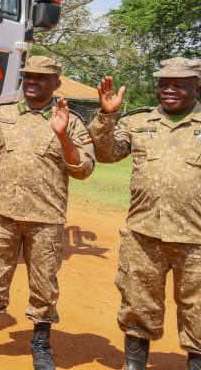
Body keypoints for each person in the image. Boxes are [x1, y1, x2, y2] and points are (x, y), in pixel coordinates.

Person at [0, 56, 96, 370]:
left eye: (41, 78)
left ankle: (41, 345)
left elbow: (83, 169)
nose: (32, 82)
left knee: (44, 285)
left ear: (56, 83)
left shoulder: (69, 121)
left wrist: (61, 135)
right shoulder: (1, 116)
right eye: (28, 77)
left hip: (45, 219)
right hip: (3, 214)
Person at [89, 57, 201, 370]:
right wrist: (106, 116)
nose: (169, 90)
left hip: (196, 241)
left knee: (199, 312)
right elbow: (107, 153)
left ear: (198, 86)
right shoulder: (138, 123)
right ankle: (134, 364)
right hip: (143, 235)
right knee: (137, 305)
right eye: (164, 83)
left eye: (179, 84)